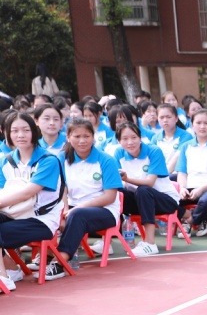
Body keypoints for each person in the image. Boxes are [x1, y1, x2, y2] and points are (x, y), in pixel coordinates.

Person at [47, 118, 125, 278]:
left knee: (77, 216)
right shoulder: (62, 159)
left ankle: (58, 263)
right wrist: (65, 209)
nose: (82, 140)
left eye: (86, 136)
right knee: (48, 215)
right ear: (68, 137)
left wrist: (78, 208)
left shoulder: (105, 160)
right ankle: (43, 256)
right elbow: (62, 189)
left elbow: (110, 197)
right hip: (74, 210)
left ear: (93, 137)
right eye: (77, 136)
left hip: (105, 211)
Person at [0, 113, 65, 290]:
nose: (20, 135)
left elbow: (27, 193)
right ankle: (11, 270)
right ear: (6, 133)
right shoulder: (5, 161)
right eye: (14, 131)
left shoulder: (48, 160)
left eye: (25, 130)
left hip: (42, 220)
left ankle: (3, 278)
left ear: (34, 132)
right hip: (14, 214)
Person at [111, 122, 174, 254]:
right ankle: (108, 240)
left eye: (134, 137)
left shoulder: (153, 151)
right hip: (139, 200)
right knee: (116, 194)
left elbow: (149, 183)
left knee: (143, 190)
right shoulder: (118, 153)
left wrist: (127, 179)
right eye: (125, 139)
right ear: (118, 140)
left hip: (164, 200)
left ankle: (150, 243)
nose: (130, 142)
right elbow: (119, 183)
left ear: (140, 138)